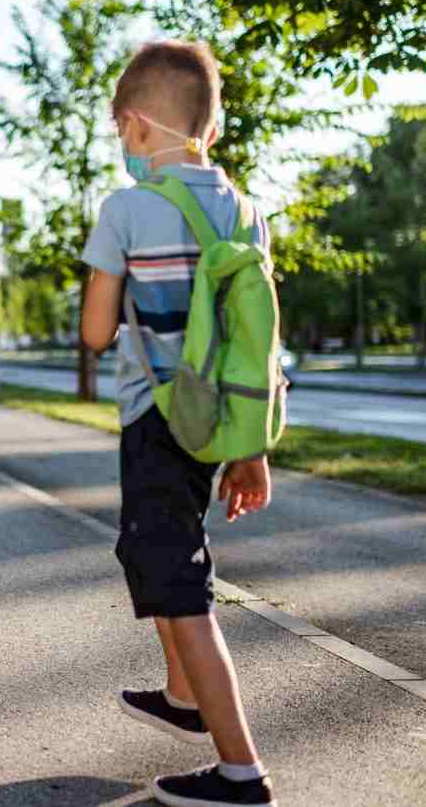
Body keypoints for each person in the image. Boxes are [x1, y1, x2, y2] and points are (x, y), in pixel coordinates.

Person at [80, 41, 277, 807]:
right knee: (147, 551)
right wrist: (252, 452)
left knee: (180, 583)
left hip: (158, 419)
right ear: (211, 128)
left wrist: (110, 286)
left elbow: (98, 333)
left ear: (134, 128)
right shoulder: (247, 211)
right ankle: (182, 696)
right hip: (219, 420)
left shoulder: (127, 207)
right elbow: (258, 341)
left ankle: (241, 772)